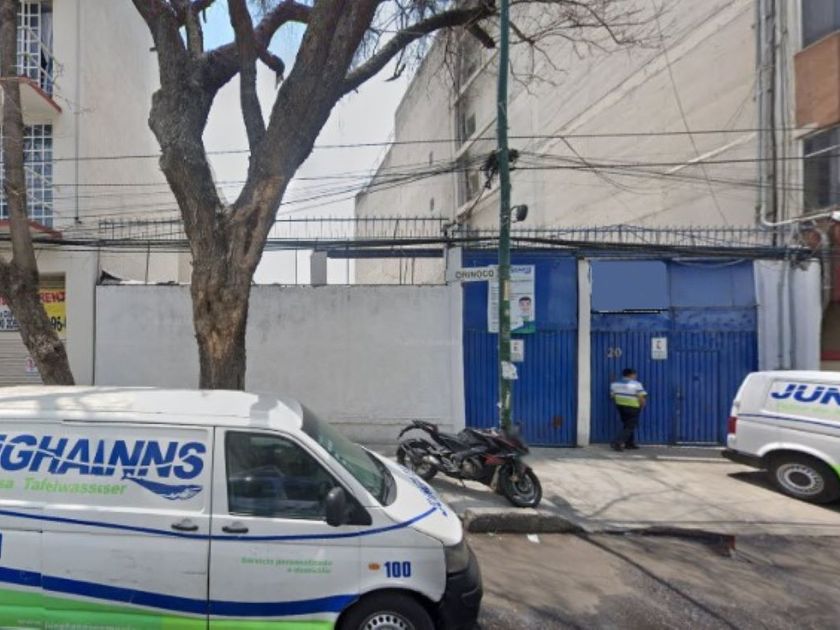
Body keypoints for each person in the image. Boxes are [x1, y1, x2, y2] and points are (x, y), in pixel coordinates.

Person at [610, 368, 647, 451]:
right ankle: (618, 442)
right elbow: (641, 397)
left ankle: (629, 444)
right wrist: (642, 405)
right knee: (630, 426)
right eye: (635, 374)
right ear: (631, 375)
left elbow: (613, 396)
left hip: (620, 406)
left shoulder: (614, 384)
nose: (635, 376)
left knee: (627, 425)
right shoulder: (636, 384)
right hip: (633, 407)